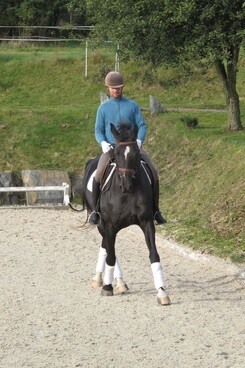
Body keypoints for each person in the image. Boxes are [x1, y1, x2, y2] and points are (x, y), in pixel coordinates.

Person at [88, 71, 166, 226]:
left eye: (118, 88)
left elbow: (142, 125)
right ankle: (95, 211)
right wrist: (103, 143)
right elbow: (98, 130)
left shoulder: (132, 105)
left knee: (154, 172)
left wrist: (138, 141)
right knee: (98, 174)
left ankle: (156, 211)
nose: (116, 90)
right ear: (108, 88)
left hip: (132, 148)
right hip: (111, 148)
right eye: (113, 88)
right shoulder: (103, 108)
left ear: (122, 88)